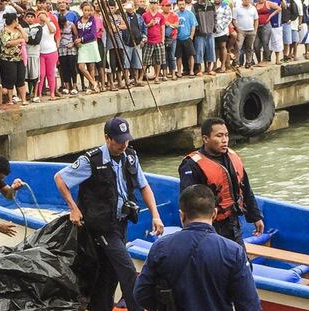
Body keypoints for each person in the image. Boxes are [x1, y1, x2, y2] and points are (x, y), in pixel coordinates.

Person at [54, 117, 164, 311]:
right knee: (128, 270)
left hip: (121, 223)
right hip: (102, 226)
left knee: (109, 273)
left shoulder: (130, 156)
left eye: (126, 140)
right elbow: (60, 178)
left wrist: (155, 215)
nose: (123, 144)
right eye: (119, 141)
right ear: (107, 138)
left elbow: (144, 186)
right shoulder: (91, 161)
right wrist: (73, 208)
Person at [134, 184, 262, 311]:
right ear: (214, 214)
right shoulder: (234, 252)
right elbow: (249, 304)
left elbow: (141, 293)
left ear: (181, 215)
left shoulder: (161, 247)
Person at [178, 117, 264, 247]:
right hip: (210, 228)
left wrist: (255, 216)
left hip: (233, 224)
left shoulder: (232, 157)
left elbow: (246, 188)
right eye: (219, 136)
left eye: (226, 135)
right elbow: (189, 203)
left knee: (242, 262)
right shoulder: (191, 165)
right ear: (206, 139)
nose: (225, 140)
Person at [0, 12, 28, 105]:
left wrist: (21, 29)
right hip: (8, 59)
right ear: (14, 20)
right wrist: (19, 40)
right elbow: (7, 43)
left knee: (21, 79)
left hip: (19, 58)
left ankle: (23, 99)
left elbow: (26, 39)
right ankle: (10, 100)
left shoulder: (18, 30)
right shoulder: (4, 31)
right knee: (10, 79)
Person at [142, 0, 166, 84]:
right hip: (149, 40)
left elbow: (162, 28)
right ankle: (141, 77)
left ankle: (157, 76)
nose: (153, 5)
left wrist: (163, 40)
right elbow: (142, 27)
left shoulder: (161, 15)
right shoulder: (145, 15)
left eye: (155, 3)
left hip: (158, 40)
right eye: (151, 3)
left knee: (158, 60)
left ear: (157, 4)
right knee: (145, 60)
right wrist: (149, 24)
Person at [192, 0, 217, 76]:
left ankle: (209, 69)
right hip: (199, 33)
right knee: (199, 51)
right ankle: (199, 70)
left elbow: (215, 17)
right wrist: (197, 29)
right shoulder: (195, 6)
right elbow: (193, 20)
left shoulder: (212, 5)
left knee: (211, 51)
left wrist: (214, 27)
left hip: (210, 33)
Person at [232, 0, 259, 68]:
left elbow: (256, 19)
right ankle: (236, 62)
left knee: (249, 48)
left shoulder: (253, 8)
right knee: (238, 47)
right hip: (241, 31)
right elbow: (234, 20)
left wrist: (255, 30)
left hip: (251, 30)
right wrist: (238, 29)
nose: (246, 1)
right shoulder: (237, 8)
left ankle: (248, 62)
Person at [254, 0, 280, 66]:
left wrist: (270, 16)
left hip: (266, 25)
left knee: (265, 43)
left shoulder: (267, 3)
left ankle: (265, 60)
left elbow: (278, 8)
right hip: (258, 26)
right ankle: (259, 61)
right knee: (256, 45)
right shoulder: (256, 4)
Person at [175, 0, 197, 77]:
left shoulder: (190, 14)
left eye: (183, 4)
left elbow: (193, 26)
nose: (181, 6)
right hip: (178, 38)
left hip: (187, 37)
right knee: (178, 56)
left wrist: (191, 36)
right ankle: (179, 72)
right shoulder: (175, 14)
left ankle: (191, 71)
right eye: (180, 4)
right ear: (177, 5)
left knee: (191, 55)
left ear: (185, 4)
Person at [213, 0, 232, 73]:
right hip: (212, 31)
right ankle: (214, 65)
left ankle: (223, 65)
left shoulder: (225, 6)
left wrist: (220, 27)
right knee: (214, 48)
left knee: (223, 46)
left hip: (222, 30)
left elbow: (229, 18)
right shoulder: (211, 6)